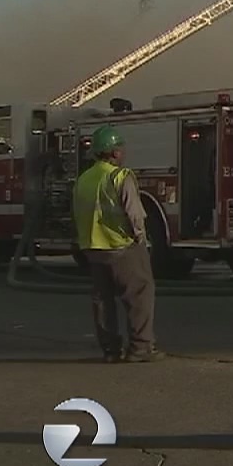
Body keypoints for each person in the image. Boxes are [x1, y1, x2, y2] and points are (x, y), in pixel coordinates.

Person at [72, 124, 163, 363]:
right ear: (114, 152)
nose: (123, 152)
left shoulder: (84, 179)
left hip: (93, 249)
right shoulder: (120, 176)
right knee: (139, 295)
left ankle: (110, 350)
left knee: (103, 300)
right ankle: (141, 348)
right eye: (120, 148)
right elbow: (135, 214)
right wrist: (141, 239)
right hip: (121, 246)